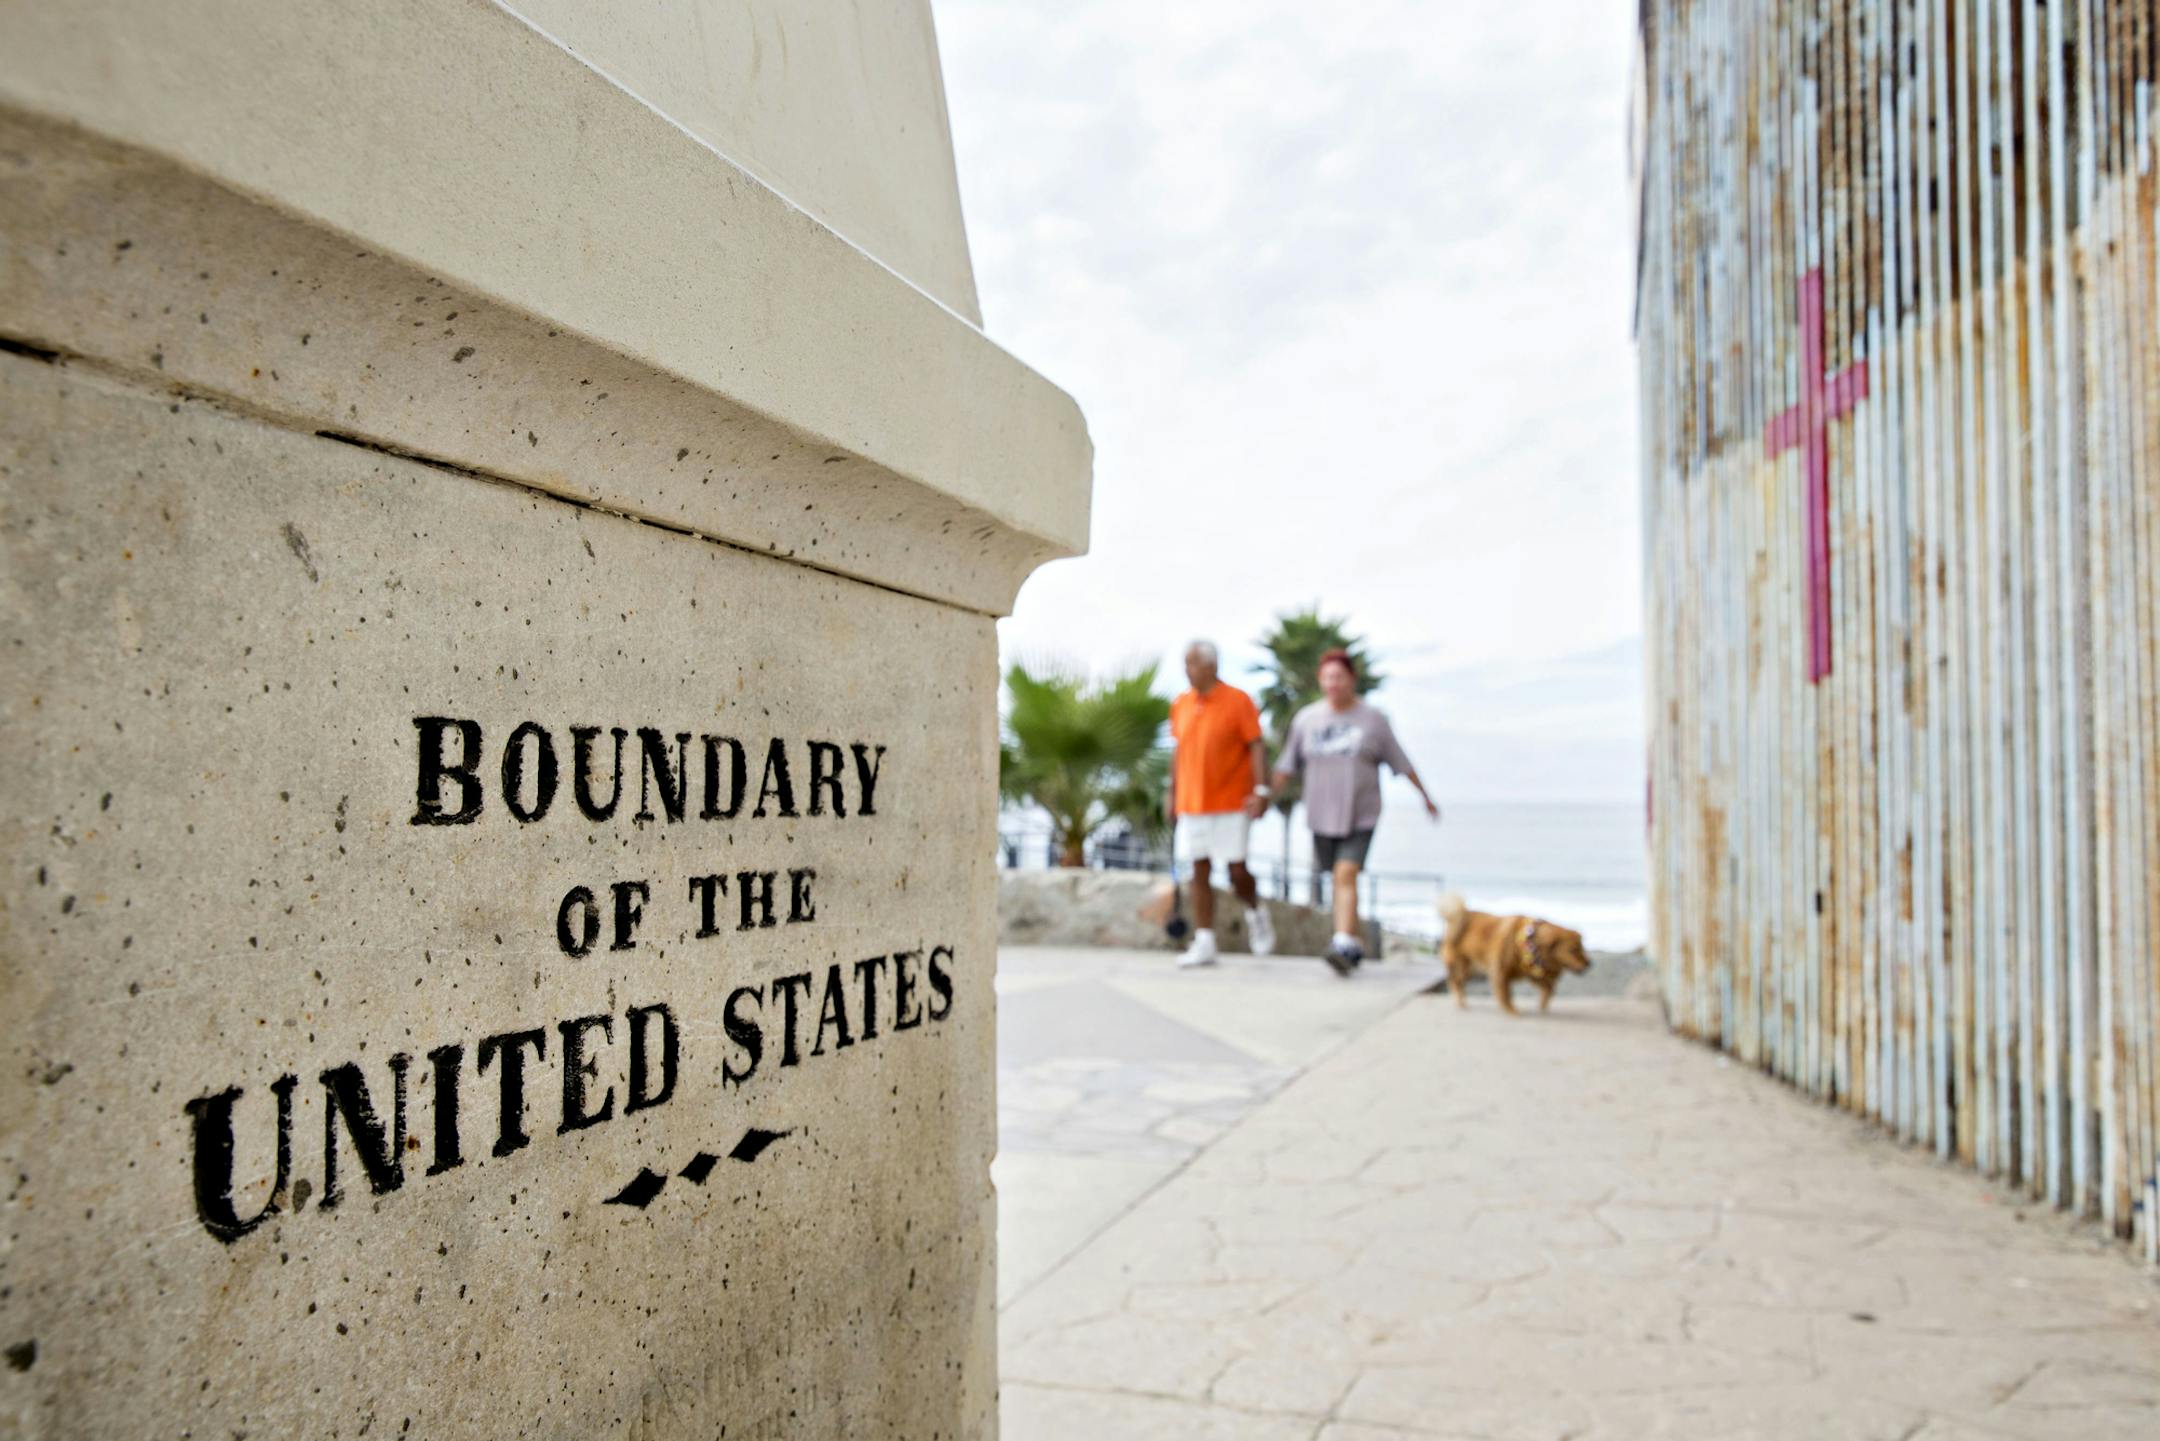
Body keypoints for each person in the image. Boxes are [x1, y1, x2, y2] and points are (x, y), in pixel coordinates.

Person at [1273, 648, 1438, 976]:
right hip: (1320, 815)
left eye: (1339, 676)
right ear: (1320, 681)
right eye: (1327, 676)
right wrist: (1264, 796)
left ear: (1352, 679)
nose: (1333, 682)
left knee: (1345, 875)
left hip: (1360, 813)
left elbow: (1401, 763)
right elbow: (1286, 766)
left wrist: (1425, 797)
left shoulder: (1372, 720)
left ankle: (1342, 944)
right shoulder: (1306, 719)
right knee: (1337, 879)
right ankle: (1355, 942)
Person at [1165, 641, 1275, 967]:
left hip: (1231, 801)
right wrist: (1172, 791)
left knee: (1236, 870)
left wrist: (1261, 790)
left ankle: (1255, 910)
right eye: (1185, 663)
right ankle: (1205, 941)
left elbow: (1256, 746)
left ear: (1211, 665)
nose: (1187, 670)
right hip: (1192, 803)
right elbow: (1178, 749)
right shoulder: (1181, 704)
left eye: (1192, 663)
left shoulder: (1238, 701)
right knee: (1199, 870)